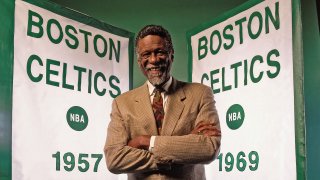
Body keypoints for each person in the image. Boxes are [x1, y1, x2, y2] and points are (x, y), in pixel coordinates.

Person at [104, 25, 221, 180]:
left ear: (171, 55)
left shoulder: (200, 94)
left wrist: (144, 141)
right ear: (139, 60)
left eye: (160, 52)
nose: (153, 60)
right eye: (146, 54)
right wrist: (183, 147)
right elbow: (114, 159)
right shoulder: (122, 103)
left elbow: (208, 148)